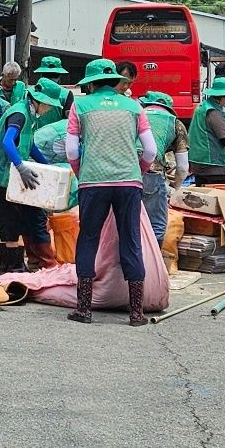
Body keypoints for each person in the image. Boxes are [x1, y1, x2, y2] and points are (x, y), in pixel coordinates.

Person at [63, 59, 158, 325]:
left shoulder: (80, 105)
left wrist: (83, 172)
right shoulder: (134, 106)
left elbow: (71, 151)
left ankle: (84, 308)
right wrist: (137, 170)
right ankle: (136, 312)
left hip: (93, 182)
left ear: (91, 83)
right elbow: (150, 150)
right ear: (116, 81)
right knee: (131, 239)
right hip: (129, 182)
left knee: (88, 238)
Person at [0, 77, 65, 273]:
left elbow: (29, 144)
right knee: (7, 218)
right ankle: (12, 266)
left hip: (7, 173)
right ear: (38, 100)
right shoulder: (19, 114)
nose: (49, 109)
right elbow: (7, 142)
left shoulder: (30, 116)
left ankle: (14, 264)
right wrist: (21, 166)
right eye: (48, 105)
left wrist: (46, 166)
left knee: (20, 217)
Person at [139, 91, 188, 244]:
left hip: (122, 173)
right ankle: (153, 263)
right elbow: (182, 167)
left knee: (126, 224)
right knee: (157, 225)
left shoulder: (134, 115)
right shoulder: (175, 124)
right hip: (151, 173)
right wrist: (175, 186)